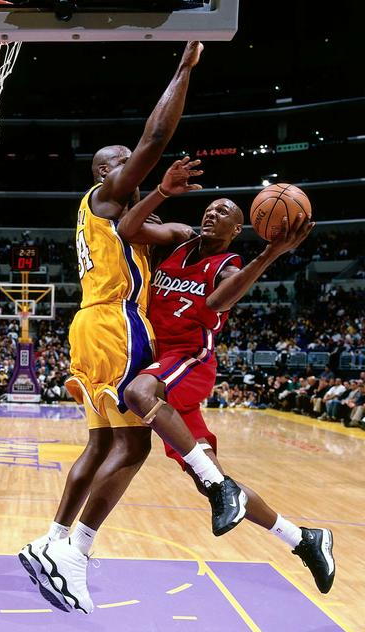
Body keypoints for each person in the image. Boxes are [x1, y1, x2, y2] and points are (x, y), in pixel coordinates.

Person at [19, 41, 236, 615]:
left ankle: (52, 539)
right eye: (118, 162)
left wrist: (213, 232)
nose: (129, 168)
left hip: (89, 328)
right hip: (117, 324)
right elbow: (155, 141)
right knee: (135, 443)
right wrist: (185, 68)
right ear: (103, 173)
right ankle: (75, 555)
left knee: (99, 444)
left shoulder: (125, 220)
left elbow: (179, 235)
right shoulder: (108, 196)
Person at [113, 158, 333, 594]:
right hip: (165, 370)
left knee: (139, 391)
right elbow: (127, 230)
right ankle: (304, 539)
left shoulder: (230, 267)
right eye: (209, 209)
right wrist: (161, 191)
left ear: (238, 229)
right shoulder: (179, 238)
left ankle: (222, 487)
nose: (212, 214)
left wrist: (270, 254)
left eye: (225, 213)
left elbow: (216, 305)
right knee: (207, 477)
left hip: (188, 362)